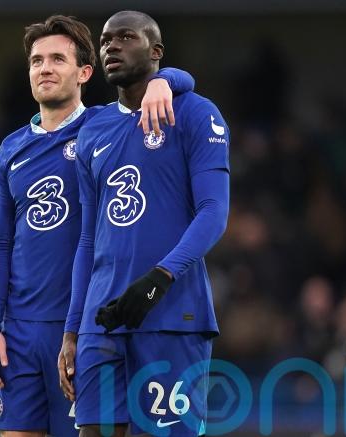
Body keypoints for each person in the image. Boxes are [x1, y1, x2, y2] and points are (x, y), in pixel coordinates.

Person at [0, 15, 196, 437]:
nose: (45, 68)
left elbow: (183, 80)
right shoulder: (10, 149)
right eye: (37, 61)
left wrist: (163, 80)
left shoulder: (103, 128)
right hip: (19, 331)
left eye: (57, 59)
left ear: (84, 73)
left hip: (81, 327)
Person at [58, 10, 230, 437]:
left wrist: (161, 276)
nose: (111, 46)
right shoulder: (93, 129)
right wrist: (73, 329)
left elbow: (214, 212)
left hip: (171, 314)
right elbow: (87, 239)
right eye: (105, 40)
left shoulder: (195, 112)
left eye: (126, 37)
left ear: (156, 52)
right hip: (102, 320)